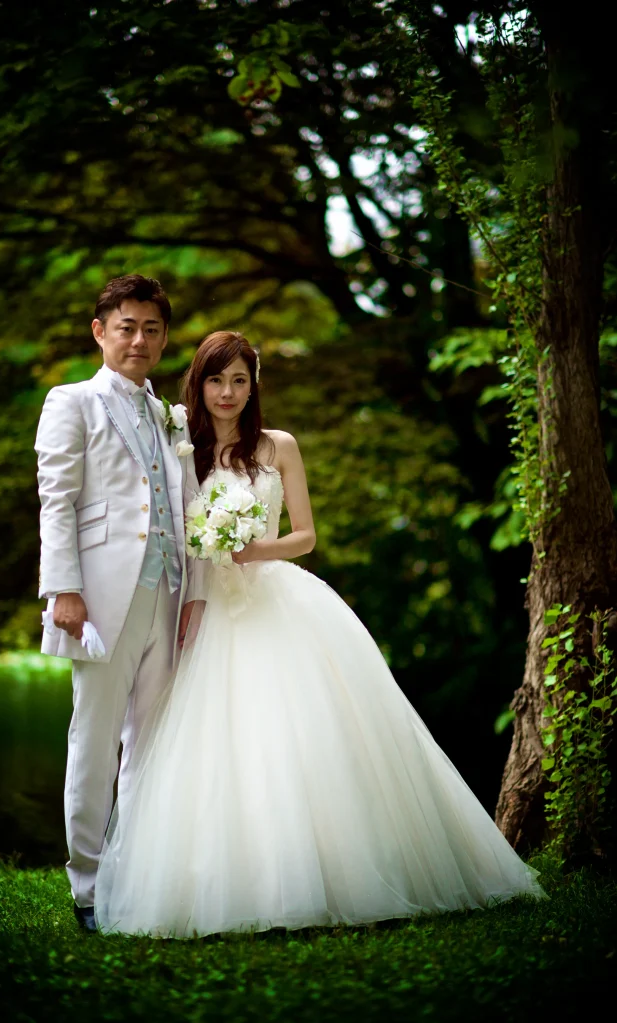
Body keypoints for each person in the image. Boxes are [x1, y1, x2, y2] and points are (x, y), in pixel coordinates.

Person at [94, 330, 545, 938]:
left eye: (239, 381)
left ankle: (334, 870)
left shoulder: (278, 445)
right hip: (208, 604)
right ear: (198, 385)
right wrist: (194, 594)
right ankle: (234, 879)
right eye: (216, 380)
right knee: (217, 741)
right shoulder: (182, 451)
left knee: (298, 730)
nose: (227, 392)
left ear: (253, 387)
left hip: (274, 597)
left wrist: (255, 549)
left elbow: (305, 535)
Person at [35, 275, 202, 932]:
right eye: (127, 327)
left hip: (169, 593)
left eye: (151, 329)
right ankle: (86, 886)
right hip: (102, 598)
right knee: (94, 740)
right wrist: (64, 589)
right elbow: (57, 500)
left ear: (163, 338)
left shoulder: (171, 415)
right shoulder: (72, 401)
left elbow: (187, 509)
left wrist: (196, 593)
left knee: (152, 744)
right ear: (100, 331)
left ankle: (131, 878)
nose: (139, 340)